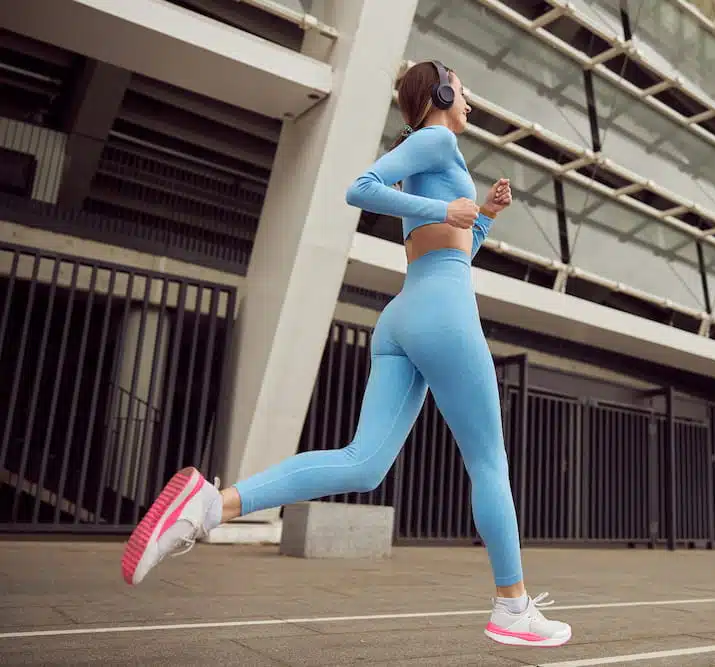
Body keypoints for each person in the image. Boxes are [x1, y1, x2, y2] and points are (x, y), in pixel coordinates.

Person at [119, 60, 572, 648]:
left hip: (406, 315)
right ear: (438, 93)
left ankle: (209, 505)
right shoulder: (433, 140)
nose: (471, 100)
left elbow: (452, 249)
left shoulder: (435, 154)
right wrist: (450, 210)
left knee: (363, 463)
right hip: (441, 314)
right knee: (489, 462)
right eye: (462, 89)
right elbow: (360, 189)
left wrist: (482, 216)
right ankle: (511, 608)